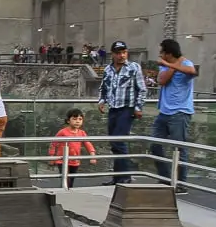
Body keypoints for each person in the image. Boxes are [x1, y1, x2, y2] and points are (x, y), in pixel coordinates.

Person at [149, 38, 197, 193]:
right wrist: (171, 67)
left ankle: (181, 183)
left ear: (168, 53)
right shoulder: (167, 67)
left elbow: (192, 72)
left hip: (180, 112)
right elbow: (161, 81)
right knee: (155, 145)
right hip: (164, 112)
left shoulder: (186, 63)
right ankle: (165, 177)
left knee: (179, 148)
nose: (160, 55)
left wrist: (170, 65)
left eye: (162, 52)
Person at [97, 40, 146, 184]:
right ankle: (117, 177)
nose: (122, 56)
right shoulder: (108, 69)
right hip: (113, 109)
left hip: (127, 108)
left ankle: (126, 176)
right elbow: (103, 87)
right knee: (113, 143)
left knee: (119, 141)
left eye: (124, 52)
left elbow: (142, 89)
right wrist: (101, 101)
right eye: (118, 53)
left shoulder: (133, 68)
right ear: (113, 54)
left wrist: (138, 107)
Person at [49, 109, 97, 187]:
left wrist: (92, 155)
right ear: (68, 121)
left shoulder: (82, 133)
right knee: (65, 179)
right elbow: (54, 144)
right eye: (74, 119)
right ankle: (64, 193)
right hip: (63, 160)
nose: (77, 121)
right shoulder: (62, 132)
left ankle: (68, 193)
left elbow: (87, 143)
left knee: (71, 180)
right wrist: (52, 157)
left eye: (80, 119)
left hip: (75, 161)